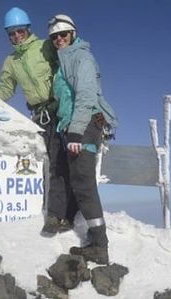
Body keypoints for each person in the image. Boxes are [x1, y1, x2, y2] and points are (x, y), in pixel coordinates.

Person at [0, 8, 77, 233]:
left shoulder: (45, 45)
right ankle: (58, 214)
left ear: (28, 29)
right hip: (40, 116)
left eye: (20, 31)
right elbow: (6, 91)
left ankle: (66, 215)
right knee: (52, 164)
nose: (16, 36)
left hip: (61, 108)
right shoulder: (11, 61)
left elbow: (70, 64)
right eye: (11, 33)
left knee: (68, 162)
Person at [46, 14, 118, 264]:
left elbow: (86, 95)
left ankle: (100, 245)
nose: (59, 40)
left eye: (63, 35)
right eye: (54, 37)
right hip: (72, 125)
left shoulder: (81, 57)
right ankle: (92, 238)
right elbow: (65, 100)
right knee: (74, 179)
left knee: (83, 182)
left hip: (86, 124)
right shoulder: (63, 62)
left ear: (73, 34)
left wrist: (76, 130)